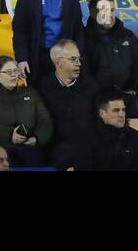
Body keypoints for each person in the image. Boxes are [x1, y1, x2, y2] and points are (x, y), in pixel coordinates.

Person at [81, 0, 138, 120]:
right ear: (92, 12)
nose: (109, 15)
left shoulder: (129, 37)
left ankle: (132, 138)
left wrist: (133, 90)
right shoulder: (82, 38)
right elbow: (82, 74)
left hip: (126, 99)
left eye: (112, 10)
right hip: (95, 100)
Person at [0, 56, 52, 168]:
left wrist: (36, 138)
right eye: (8, 72)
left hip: (29, 147)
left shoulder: (30, 93)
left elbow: (45, 121)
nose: (13, 75)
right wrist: (9, 135)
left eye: (16, 71)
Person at [13, 0, 84, 81]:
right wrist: (22, 58)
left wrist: (77, 55)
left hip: (63, 56)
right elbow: (19, 29)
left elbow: (78, 27)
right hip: (37, 55)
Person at [34, 39, 99, 170]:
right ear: (58, 63)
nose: (79, 64)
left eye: (79, 59)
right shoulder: (42, 88)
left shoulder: (91, 87)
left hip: (87, 152)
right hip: (54, 152)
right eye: (73, 59)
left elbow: (97, 124)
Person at [74, 91, 138, 172]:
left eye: (123, 110)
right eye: (116, 110)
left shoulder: (135, 136)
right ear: (102, 113)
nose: (122, 114)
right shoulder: (88, 138)